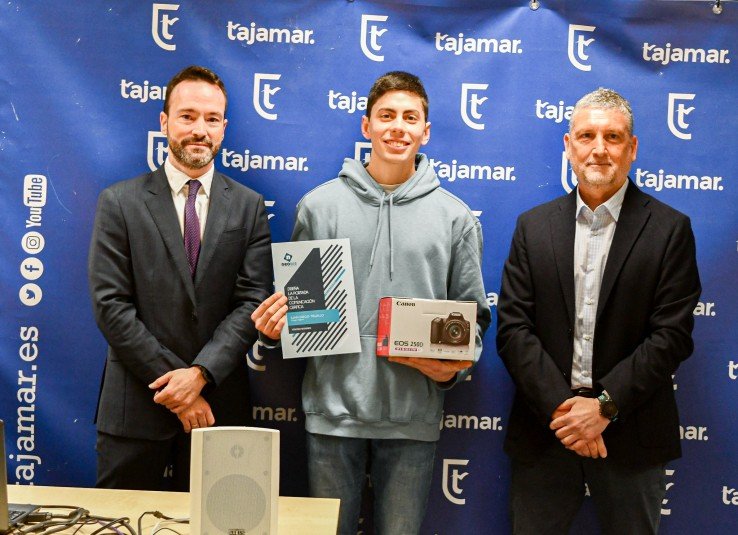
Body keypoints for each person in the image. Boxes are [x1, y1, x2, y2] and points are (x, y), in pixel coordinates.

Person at [251, 71, 491, 534]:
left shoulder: (455, 217)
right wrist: (280, 327)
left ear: (426, 130)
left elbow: (473, 316)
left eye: (410, 117)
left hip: (412, 418)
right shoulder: (319, 207)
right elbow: (303, 313)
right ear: (366, 126)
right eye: (386, 116)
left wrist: (456, 366)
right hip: (331, 413)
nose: (398, 127)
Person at [496, 88, 701, 534]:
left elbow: (672, 337)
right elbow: (513, 329)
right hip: (546, 432)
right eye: (587, 135)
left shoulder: (670, 230)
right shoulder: (533, 227)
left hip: (633, 435)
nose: (599, 149)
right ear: (568, 146)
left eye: (613, 137)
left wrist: (604, 407)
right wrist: (568, 414)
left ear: (632, 149)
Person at [88, 65, 272, 491]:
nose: (200, 130)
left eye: (211, 119)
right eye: (188, 116)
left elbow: (253, 301)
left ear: (224, 127)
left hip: (218, 409)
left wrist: (201, 375)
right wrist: (180, 385)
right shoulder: (119, 203)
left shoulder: (249, 206)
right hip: (136, 406)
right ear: (164, 122)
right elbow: (110, 306)